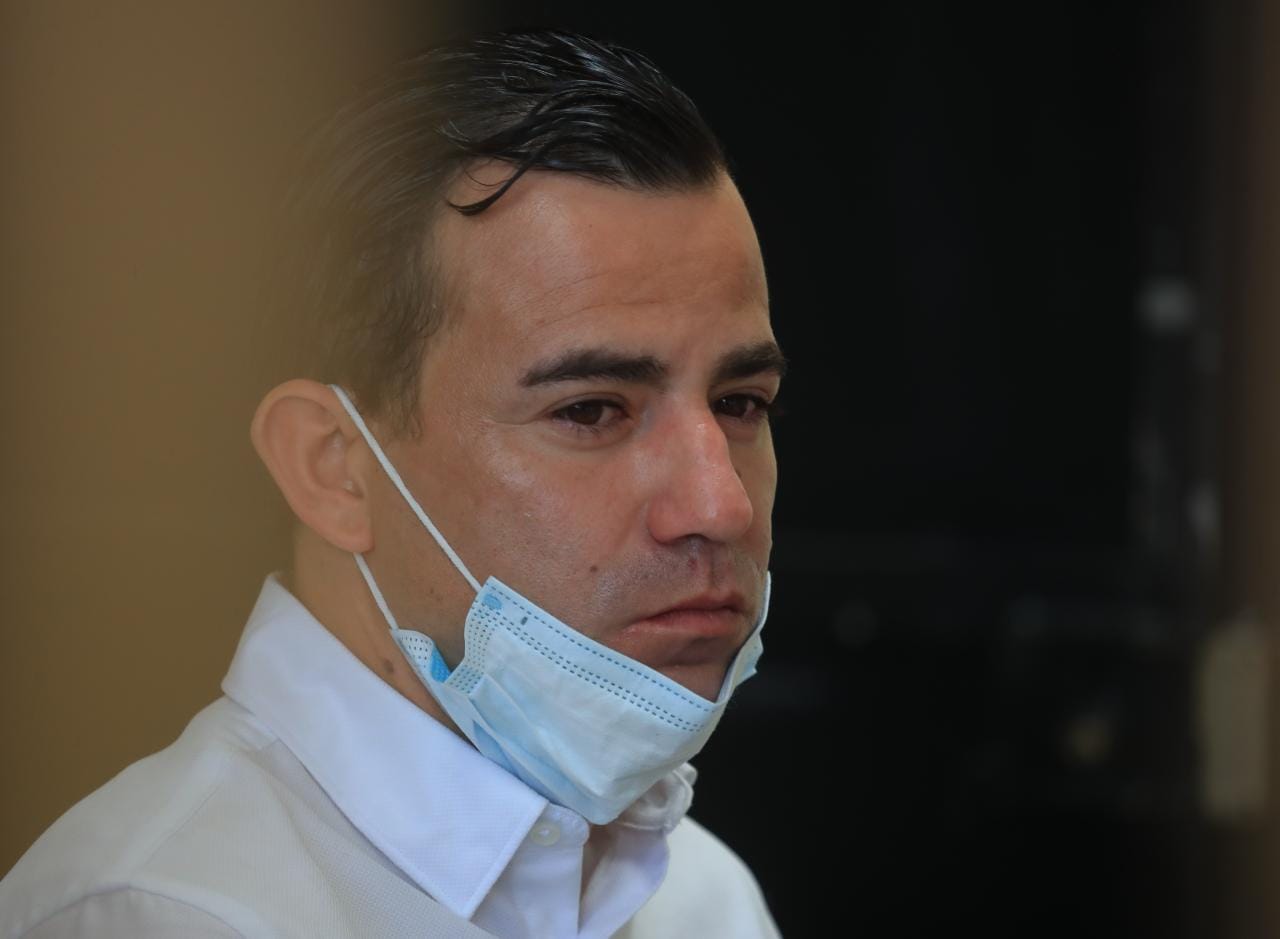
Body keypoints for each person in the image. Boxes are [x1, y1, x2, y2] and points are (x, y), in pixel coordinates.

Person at [0, 27, 784, 938]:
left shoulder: (703, 897)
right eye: (590, 411)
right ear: (332, 467)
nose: (721, 503)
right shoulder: (163, 913)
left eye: (740, 402)